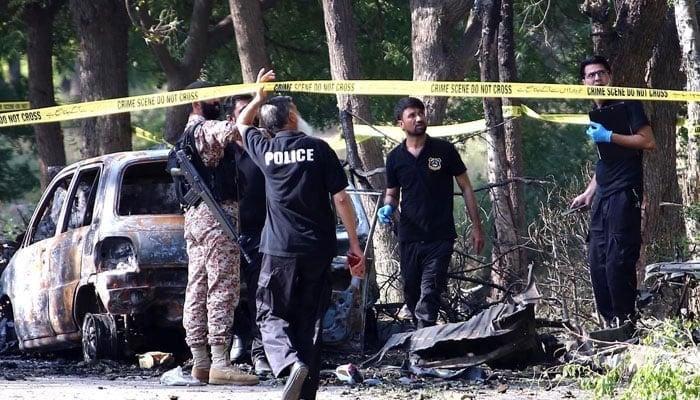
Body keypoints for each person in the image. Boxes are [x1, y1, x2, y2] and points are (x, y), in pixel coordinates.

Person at [237, 68, 366, 400]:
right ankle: (305, 392)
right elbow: (340, 198)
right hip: (318, 251)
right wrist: (354, 245)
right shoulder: (319, 149)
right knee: (309, 321)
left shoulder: (265, 152)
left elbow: (241, 124)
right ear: (292, 118)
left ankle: (288, 364)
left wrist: (258, 97)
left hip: (279, 250)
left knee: (269, 312)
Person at [376, 96, 484, 330]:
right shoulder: (395, 157)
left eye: (421, 113)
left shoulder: (444, 150)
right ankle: (422, 337)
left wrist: (477, 227)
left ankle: (425, 343)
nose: (418, 118)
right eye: (411, 115)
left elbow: (465, 187)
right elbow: (392, 193)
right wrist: (388, 206)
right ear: (400, 124)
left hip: (440, 236)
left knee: (430, 291)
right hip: (409, 237)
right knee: (412, 293)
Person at [176, 81, 258, 386]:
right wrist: (259, 100)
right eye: (214, 97)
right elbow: (235, 131)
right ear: (196, 102)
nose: (220, 101)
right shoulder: (204, 129)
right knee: (222, 286)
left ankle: (200, 361)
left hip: (195, 217)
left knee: (197, 285)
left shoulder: (184, 135)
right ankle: (220, 362)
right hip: (216, 217)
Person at [570, 55, 655, 326]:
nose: (597, 79)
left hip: (624, 192)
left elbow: (648, 141)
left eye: (601, 73)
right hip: (603, 196)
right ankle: (609, 326)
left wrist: (609, 136)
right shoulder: (597, 112)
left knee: (618, 260)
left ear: (610, 76)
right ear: (583, 82)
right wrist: (588, 192)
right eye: (591, 75)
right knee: (597, 262)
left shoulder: (627, 103)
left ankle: (626, 323)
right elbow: (605, 160)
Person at [222, 94, 272, 375]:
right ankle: (236, 338)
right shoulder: (221, 154)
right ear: (232, 119)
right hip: (226, 235)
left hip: (261, 234)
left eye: (255, 110)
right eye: (245, 111)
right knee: (225, 296)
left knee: (260, 295)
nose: (252, 116)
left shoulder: (265, 147)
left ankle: (260, 350)